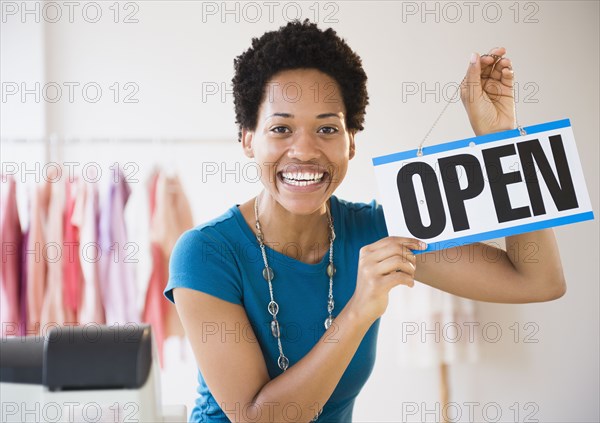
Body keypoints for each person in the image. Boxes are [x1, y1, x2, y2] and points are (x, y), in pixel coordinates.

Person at [163, 20, 566, 423]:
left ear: (351, 141)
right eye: (281, 128)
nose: (303, 150)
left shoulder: (378, 229)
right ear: (248, 139)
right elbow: (259, 419)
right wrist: (359, 310)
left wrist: (503, 141)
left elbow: (537, 280)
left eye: (326, 128)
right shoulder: (205, 253)